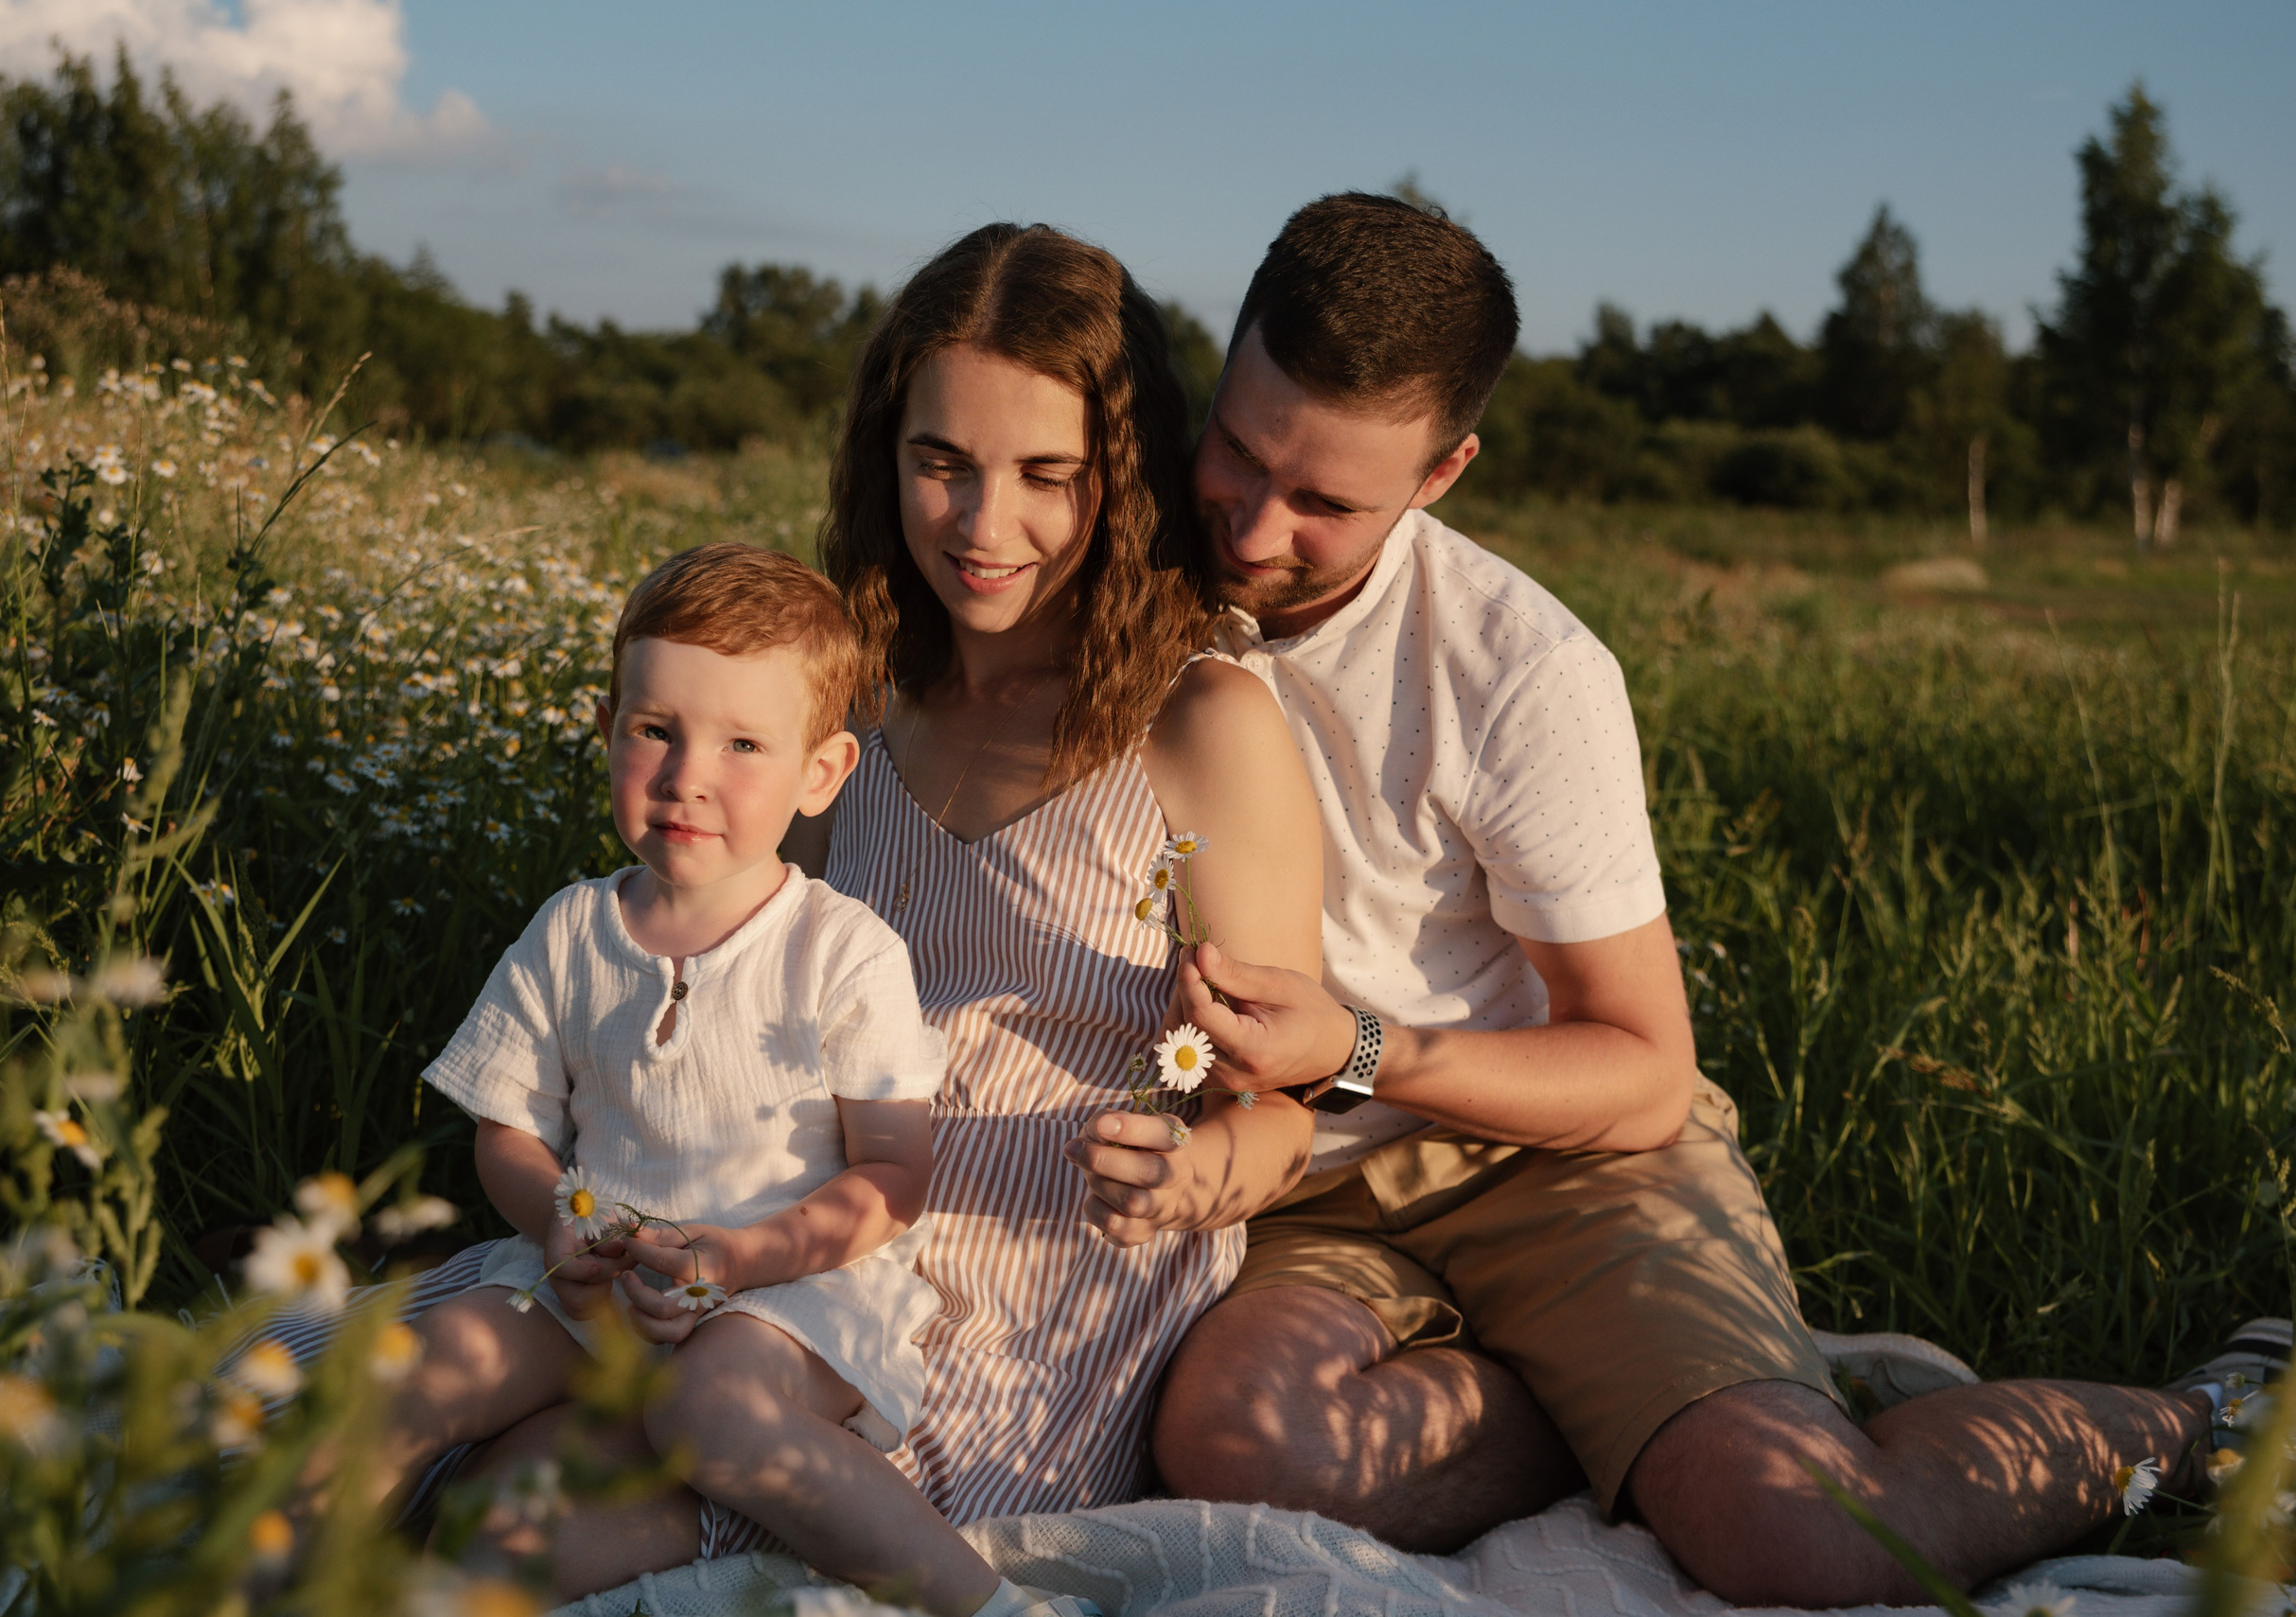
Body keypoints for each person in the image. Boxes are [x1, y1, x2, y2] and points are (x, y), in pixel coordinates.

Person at [1070, 192, 2225, 1607]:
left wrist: (1357, 1049)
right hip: (1297, 1189)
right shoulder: (1115, 578)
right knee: (1240, 1441)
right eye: (1240, 452)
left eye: (1328, 504)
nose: (1254, 523)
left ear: (1444, 475)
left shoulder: (1521, 670)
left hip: (1554, 1159)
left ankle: (2210, 1421)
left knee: (1804, 1538)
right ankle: (1680, 1401)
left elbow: (1640, 1069)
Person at [445, 222, 1323, 1589]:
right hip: (787, 1231)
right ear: (884, 454)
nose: (983, 525)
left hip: (1029, 1280)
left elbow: (1277, 1094)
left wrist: (1212, 1170)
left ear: (1127, 476)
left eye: (1048, 474)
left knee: (541, 1541)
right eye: (941, 463)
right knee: (477, 1492)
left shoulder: (1200, 723)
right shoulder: (860, 694)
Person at [366, 544, 1079, 1617]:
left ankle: (995, 1605)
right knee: (428, 1359)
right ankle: (283, 1571)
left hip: (791, 1296)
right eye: (655, 729)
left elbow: (893, 1175)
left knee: (715, 1408)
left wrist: (742, 1256)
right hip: (598, 1276)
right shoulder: (572, 931)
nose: (687, 775)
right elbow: (508, 1132)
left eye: (744, 743)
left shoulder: (842, 949)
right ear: (609, 727)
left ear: (821, 772)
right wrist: (557, 1216)